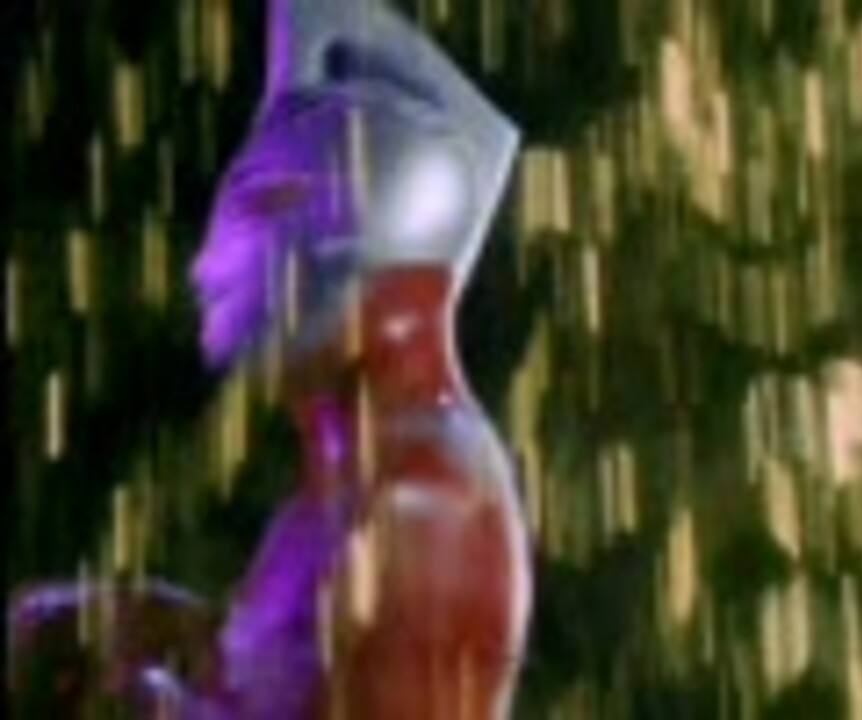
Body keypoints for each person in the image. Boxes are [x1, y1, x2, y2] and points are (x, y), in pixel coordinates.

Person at [9, 1, 531, 717]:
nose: (211, 264)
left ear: (364, 231)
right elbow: (294, 685)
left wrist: (149, 702)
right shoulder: (355, 471)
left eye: (261, 208)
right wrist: (170, 629)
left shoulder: (419, 502)